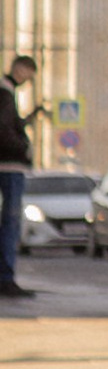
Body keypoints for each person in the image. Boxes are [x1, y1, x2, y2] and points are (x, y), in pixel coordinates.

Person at [0, 56, 37, 297]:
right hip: (10, 166)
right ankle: (6, 278)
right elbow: (3, 129)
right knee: (11, 223)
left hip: (9, 164)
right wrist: (23, 148)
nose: (29, 80)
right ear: (20, 69)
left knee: (9, 223)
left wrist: (26, 121)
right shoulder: (5, 93)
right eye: (29, 75)